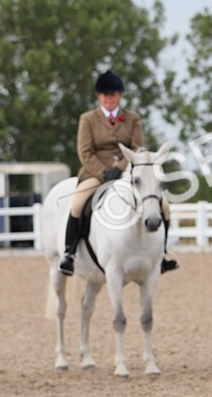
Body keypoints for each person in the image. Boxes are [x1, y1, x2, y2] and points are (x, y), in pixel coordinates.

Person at [60, 70, 177, 276]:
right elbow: (84, 153)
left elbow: (139, 148)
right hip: (95, 173)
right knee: (78, 203)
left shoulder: (132, 118)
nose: (109, 99)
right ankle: (69, 253)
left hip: (128, 172)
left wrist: (121, 167)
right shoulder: (87, 119)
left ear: (119, 95)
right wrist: (104, 172)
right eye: (105, 95)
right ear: (99, 97)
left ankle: (162, 255)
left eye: (113, 95)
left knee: (164, 206)